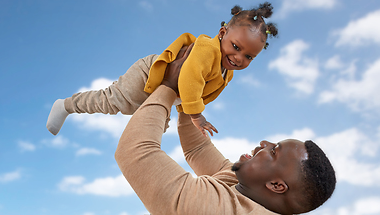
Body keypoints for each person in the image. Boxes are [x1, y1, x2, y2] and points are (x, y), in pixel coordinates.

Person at [115, 48, 336, 215]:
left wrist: (169, 85)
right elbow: (197, 148)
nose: (265, 143)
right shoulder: (244, 187)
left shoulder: (216, 210)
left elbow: (134, 152)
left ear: (276, 186)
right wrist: (191, 91)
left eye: (274, 151)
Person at [46, 2, 278, 137]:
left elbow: (198, 92)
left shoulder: (227, 71)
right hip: (149, 76)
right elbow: (190, 78)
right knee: (111, 102)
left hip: (168, 94)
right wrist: (196, 115)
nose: (239, 58)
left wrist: (187, 112)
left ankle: (141, 152)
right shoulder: (208, 49)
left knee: (156, 127)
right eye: (236, 47)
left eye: (249, 56)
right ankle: (66, 105)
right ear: (222, 33)